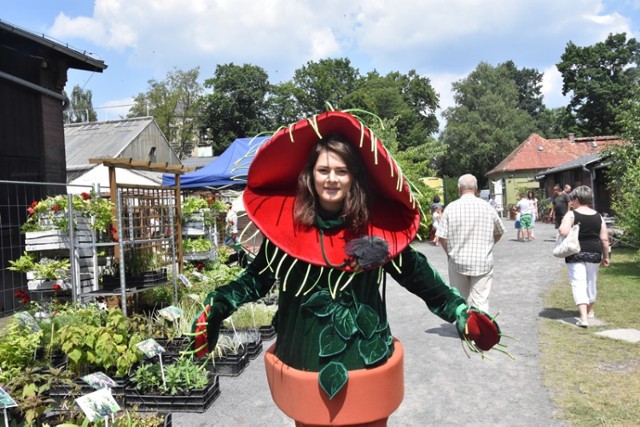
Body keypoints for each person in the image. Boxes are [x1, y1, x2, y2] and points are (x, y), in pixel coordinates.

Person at [191, 111, 502, 426]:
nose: (331, 178)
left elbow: (422, 279)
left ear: (353, 177)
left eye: (341, 171)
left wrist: (461, 313)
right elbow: (253, 282)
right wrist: (219, 304)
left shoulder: (378, 233)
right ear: (310, 174)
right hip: (304, 367)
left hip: (368, 367)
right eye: (323, 169)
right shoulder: (284, 233)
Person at [435, 174, 506, 312]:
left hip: (457, 260)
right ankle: (480, 330)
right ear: (476, 188)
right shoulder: (487, 207)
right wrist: (488, 245)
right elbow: (499, 232)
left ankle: (463, 329)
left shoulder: (451, 208)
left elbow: (442, 237)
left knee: (459, 299)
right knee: (481, 300)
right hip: (482, 260)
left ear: (459, 189)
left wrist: (449, 254)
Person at [558, 185, 610, 328]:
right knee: (591, 282)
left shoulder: (571, 214)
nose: (571, 202)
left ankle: (583, 318)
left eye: (572, 199)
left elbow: (563, 231)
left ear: (577, 199)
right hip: (594, 252)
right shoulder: (598, 216)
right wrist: (606, 256)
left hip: (575, 252)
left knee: (578, 282)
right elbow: (605, 240)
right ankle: (589, 311)